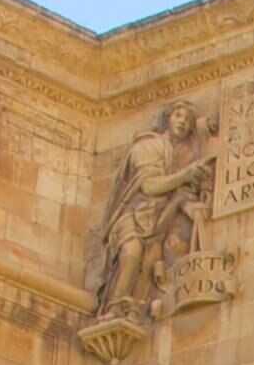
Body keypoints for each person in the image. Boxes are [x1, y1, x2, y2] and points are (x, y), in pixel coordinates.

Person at [87, 100, 214, 314]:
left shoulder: (184, 155)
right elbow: (149, 185)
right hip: (134, 215)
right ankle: (112, 309)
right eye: (178, 115)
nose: (183, 122)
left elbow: (180, 194)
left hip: (160, 220)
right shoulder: (146, 146)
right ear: (168, 119)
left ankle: (132, 312)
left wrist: (190, 207)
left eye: (188, 120)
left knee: (150, 263)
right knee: (132, 252)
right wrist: (186, 175)